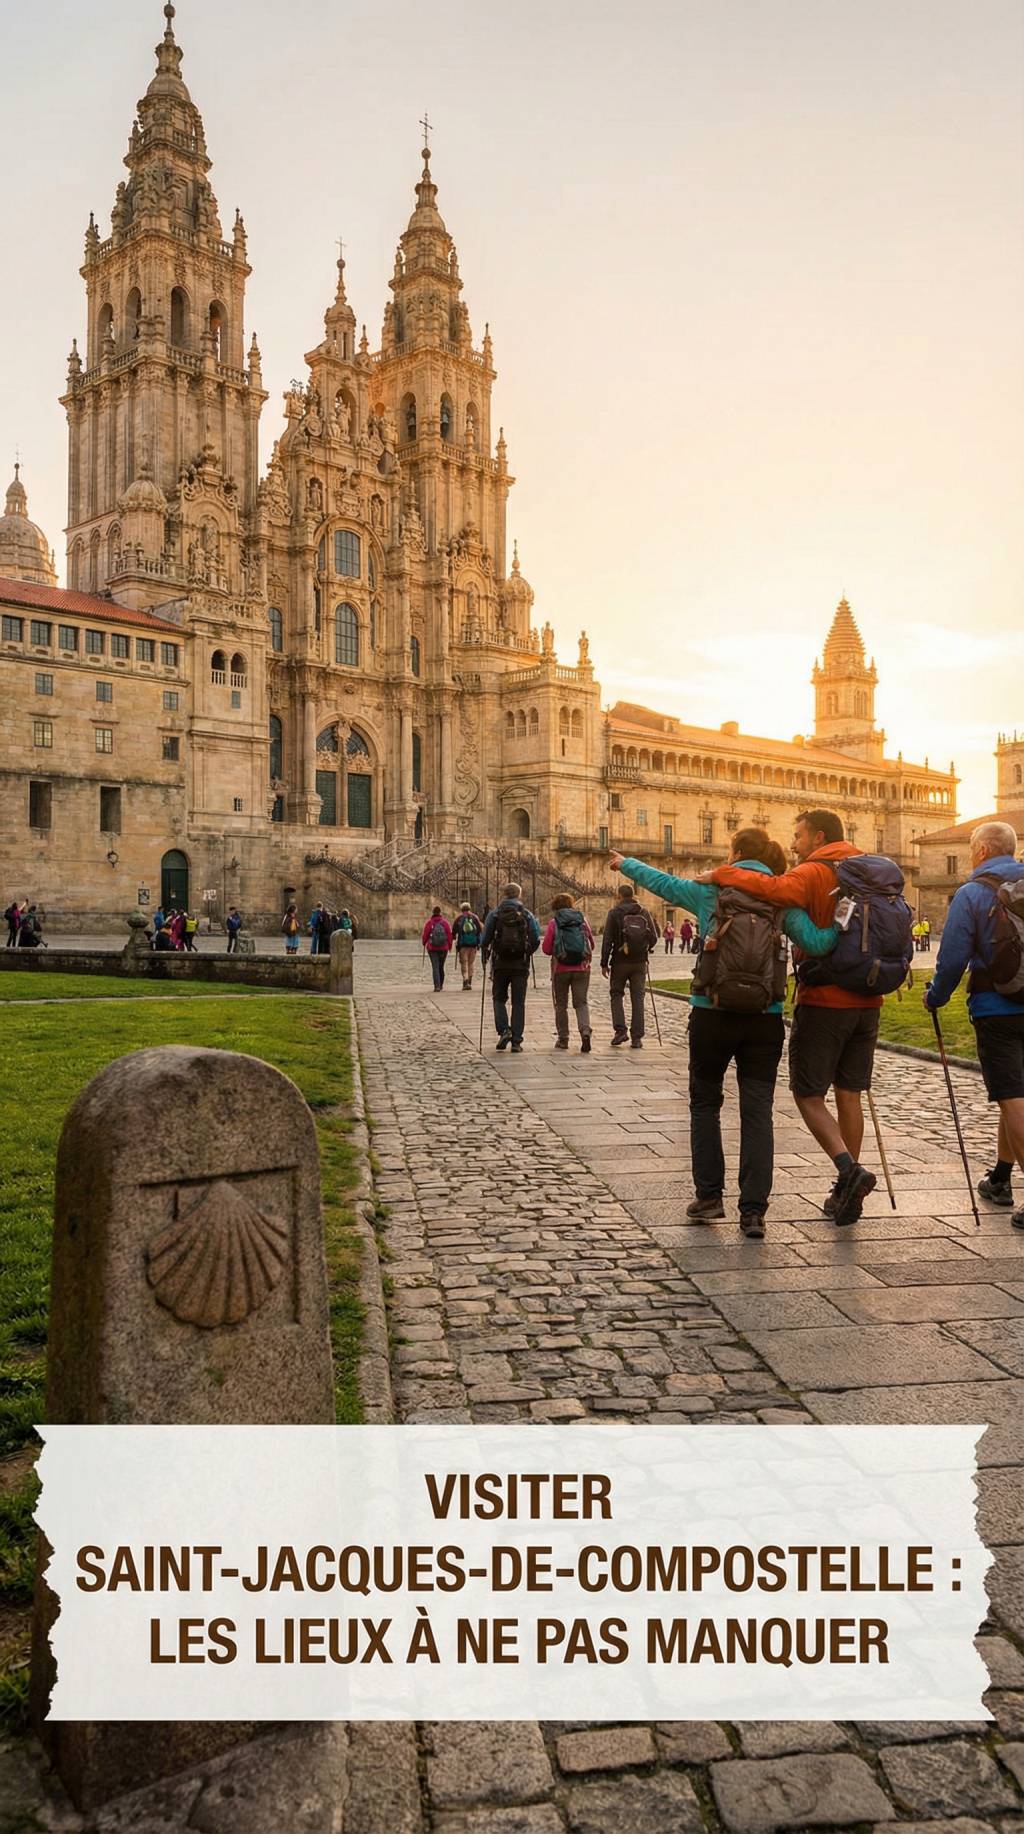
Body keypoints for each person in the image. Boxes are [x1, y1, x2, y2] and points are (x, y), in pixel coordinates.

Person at [612, 835, 836, 1238]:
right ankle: (753, 1212)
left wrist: (625, 863)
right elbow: (819, 943)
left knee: (704, 1103)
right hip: (764, 1019)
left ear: (735, 855)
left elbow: (662, 882)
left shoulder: (711, 890)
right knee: (757, 1111)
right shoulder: (782, 899)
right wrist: (846, 920)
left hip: (711, 1012)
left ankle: (710, 1198)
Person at [708, 808, 907, 1228]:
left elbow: (774, 889)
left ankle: (848, 1171)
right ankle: (845, 1194)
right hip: (869, 1002)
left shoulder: (816, 872)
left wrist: (725, 874)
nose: (793, 844)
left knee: (808, 1094)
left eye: (797, 836)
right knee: (849, 1094)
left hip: (825, 1000)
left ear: (818, 837)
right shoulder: (868, 870)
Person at [924, 821, 1024, 1227]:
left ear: (982, 850)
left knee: (1012, 1096)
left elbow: (951, 960)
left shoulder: (971, 893)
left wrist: (936, 996)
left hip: (995, 1007)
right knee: (1012, 1093)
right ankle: (1000, 1178)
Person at [480, 881, 541, 1052]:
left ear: (504, 895)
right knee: (518, 1002)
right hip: (520, 964)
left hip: (500, 963)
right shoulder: (527, 914)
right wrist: (526, 952)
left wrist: (487, 952)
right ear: (519, 895)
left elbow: (484, 939)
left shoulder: (495, 914)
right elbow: (536, 939)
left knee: (499, 999)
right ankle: (516, 1041)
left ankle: (504, 1030)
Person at [600, 884, 658, 1047]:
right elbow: (654, 937)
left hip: (619, 961)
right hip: (639, 962)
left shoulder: (614, 913)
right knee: (638, 998)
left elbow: (607, 939)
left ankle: (620, 1031)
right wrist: (645, 948)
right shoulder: (643, 911)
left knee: (616, 994)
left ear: (619, 896)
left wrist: (604, 963)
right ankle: (637, 1037)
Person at [542, 892, 595, 1053]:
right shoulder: (582, 921)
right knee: (581, 1003)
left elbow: (546, 949)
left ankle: (563, 1039)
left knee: (561, 1005)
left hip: (560, 969)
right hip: (581, 968)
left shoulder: (553, 923)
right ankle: (585, 1031)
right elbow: (591, 944)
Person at [452, 902, 483, 989]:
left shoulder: (459, 918)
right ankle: (470, 980)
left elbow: (453, 931)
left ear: (462, 909)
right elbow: (480, 930)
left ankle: (465, 980)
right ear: (469, 908)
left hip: (462, 945)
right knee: (471, 963)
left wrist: (454, 938)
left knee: (464, 963)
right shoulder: (475, 917)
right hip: (473, 945)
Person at [421, 905, 453, 991]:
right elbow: (449, 935)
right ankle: (441, 984)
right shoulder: (445, 923)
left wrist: (424, 942)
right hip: (443, 948)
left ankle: (437, 986)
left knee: (435, 967)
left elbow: (425, 935)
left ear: (433, 913)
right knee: (441, 966)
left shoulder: (429, 923)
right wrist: (449, 946)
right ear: (440, 913)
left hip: (432, 948)